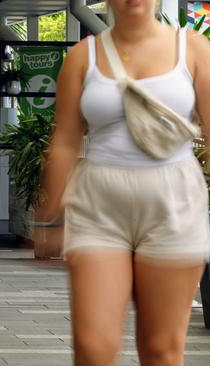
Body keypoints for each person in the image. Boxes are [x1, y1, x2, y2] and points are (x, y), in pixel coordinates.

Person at [33, 0, 210, 364]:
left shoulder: (192, 48)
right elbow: (65, 139)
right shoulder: (84, 57)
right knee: (93, 348)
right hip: (99, 203)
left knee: (161, 350)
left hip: (174, 201)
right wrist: (49, 215)